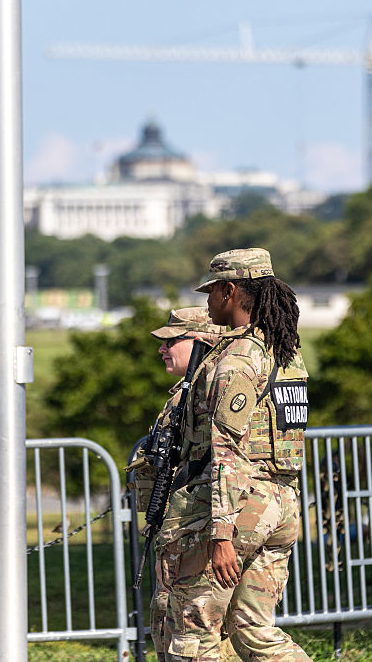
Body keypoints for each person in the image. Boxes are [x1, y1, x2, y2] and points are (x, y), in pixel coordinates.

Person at [157, 248, 311, 661]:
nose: (206, 303)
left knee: (194, 629)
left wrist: (220, 533)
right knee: (253, 630)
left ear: (229, 290)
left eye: (210, 292)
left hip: (239, 508)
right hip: (281, 504)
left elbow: (227, 449)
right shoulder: (286, 354)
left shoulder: (238, 359)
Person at [133, 307, 226, 659]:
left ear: (201, 341)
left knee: (191, 632)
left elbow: (220, 461)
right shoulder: (186, 393)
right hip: (181, 525)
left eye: (172, 341)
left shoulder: (207, 391)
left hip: (197, 527)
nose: (162, 349)